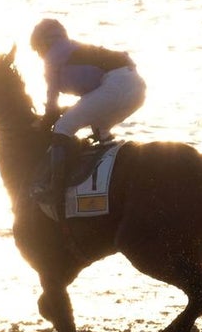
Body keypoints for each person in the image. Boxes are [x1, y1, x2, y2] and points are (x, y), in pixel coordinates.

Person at [28, 18, 146, 216]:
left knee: (62, 128)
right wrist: (64, 111)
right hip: (135, 87)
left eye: (37, 50)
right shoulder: (71, 49)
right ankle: (108, 180)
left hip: (116, 85)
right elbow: (89, 101)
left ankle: (55, 191)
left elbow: (51, 100)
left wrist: (45, 122)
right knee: (100, 128)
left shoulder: (53, 56)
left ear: (44, 43)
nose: (40, 56)